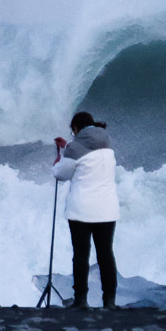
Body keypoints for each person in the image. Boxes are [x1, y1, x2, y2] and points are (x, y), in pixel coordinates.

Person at [51, 111, 119, 308]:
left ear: (76, 128)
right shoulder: (107, 142)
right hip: (107, 209)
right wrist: (68, 147)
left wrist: (60, 158)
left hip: (82, 210)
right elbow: (87, 156)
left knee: (81, 254)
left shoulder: (75, 147)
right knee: (105, 254)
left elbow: (61, 174)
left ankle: (81, 301)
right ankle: (110, 301)